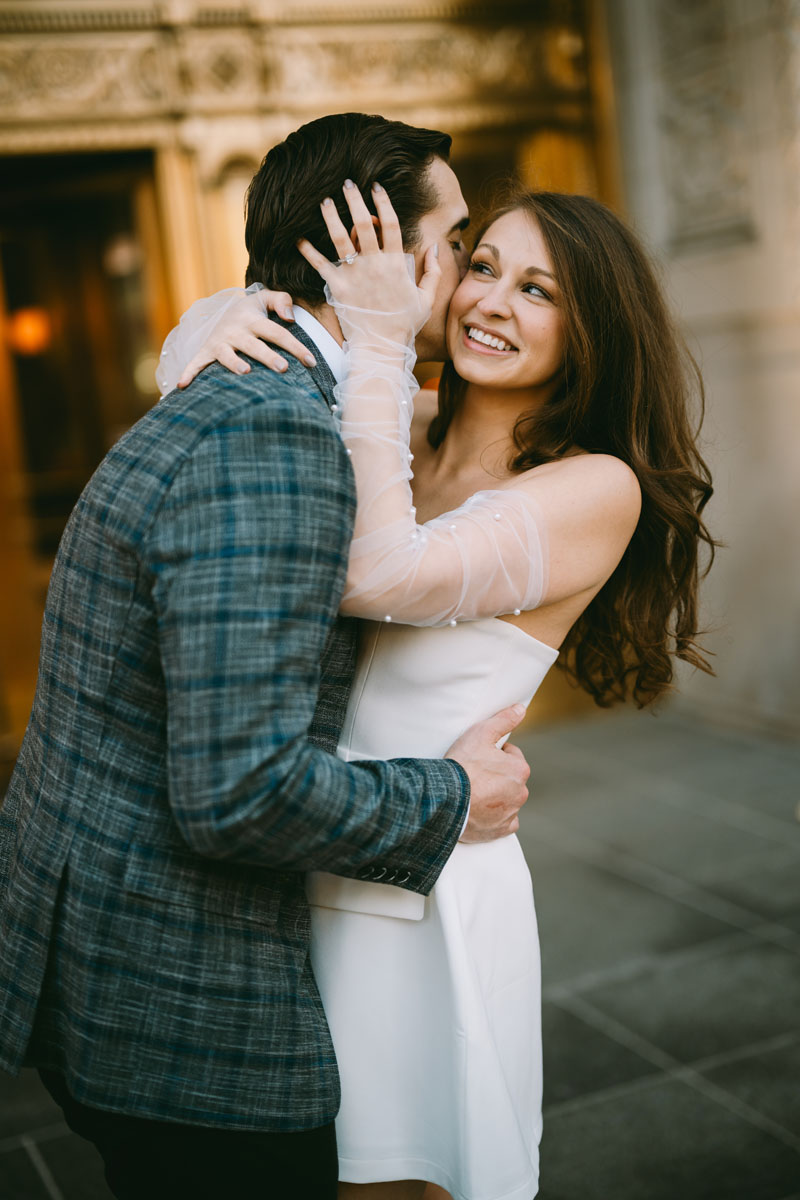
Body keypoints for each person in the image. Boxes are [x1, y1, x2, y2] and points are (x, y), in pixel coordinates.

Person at [0, 114, 535, 1200]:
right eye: (461, 243)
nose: (469, 282)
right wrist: (450, 797)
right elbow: (237, 792)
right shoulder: (275, 430)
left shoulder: (254, 382)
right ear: (391, 250)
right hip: (174, 999)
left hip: (106, 954)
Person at [160, 180, 715, 1199]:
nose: (490, 302)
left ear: (592, 331)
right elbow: (203, 377)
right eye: (485, 266)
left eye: (539, 290)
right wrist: (228, 314)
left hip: (427, 882)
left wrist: (372, 347)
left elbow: (378, 573)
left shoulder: (594, 487)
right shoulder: (398, 423)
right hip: (299, 844)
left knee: (402, 1180)